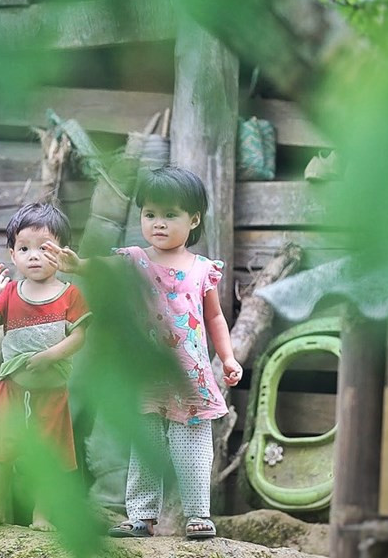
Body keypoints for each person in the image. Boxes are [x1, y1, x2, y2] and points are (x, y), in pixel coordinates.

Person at [42, 166, 242, 540]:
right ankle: (141, 516)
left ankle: (198, 514)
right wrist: (75, 265)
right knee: (144, 447)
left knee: (193, 450)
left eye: (170, 215)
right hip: (146, 377)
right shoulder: (134, 259)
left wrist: (228, 358)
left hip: (190, 378)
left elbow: (214, 316)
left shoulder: (202, 269)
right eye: (150, 214)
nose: (158, 224)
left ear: (194, 219)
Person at [0, 203, 91, 532]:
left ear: (62, 252)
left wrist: (50, 356)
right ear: (13, 254)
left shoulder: (70, 295)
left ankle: (41, 515)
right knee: (2, 454)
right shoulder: (9, 292)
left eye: (44, 248)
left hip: (51, 393)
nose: (34, 256)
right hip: (11, 390)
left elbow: (78, 337)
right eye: (24, 248)